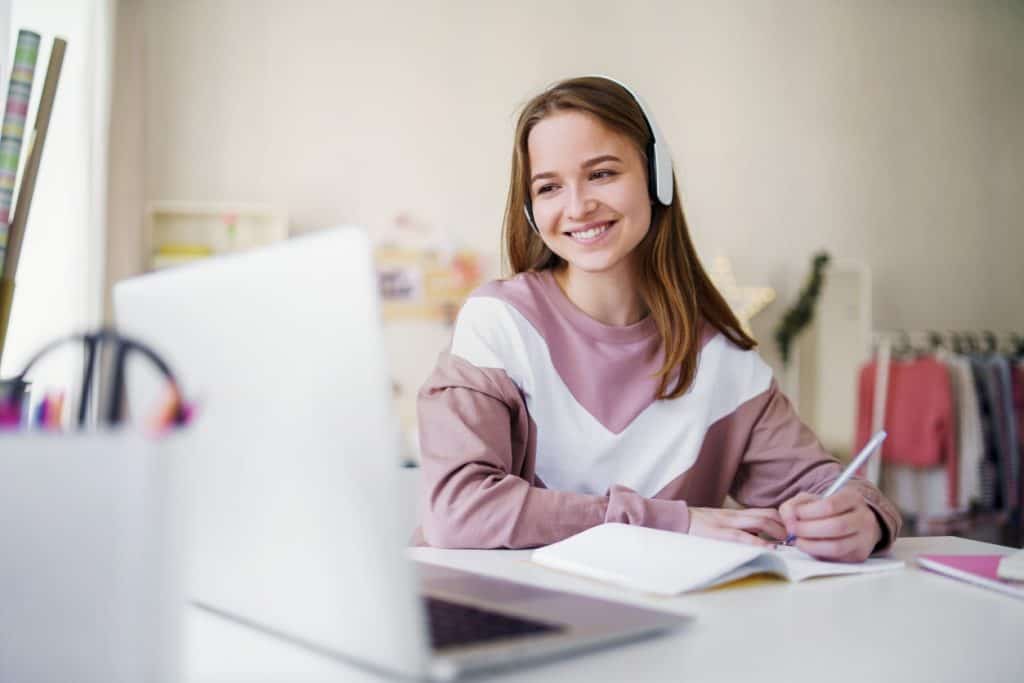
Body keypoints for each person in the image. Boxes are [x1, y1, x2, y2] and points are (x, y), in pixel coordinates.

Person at [414, 76, 900, 562]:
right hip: (514, 621)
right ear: (531, 208)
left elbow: (821, 484)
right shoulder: (498, 324)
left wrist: (861, 516)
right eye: (549, 187)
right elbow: (457, 510)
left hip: (664, 626)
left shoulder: (721, 359)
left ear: (656, 178)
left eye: (602, 173)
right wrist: (673, 522)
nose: (578, 206)